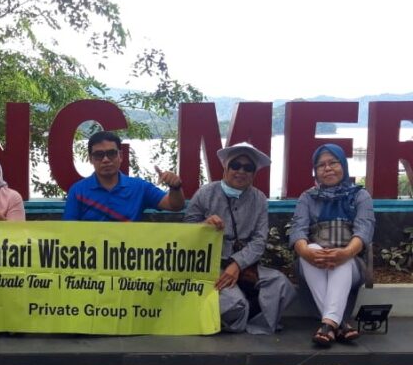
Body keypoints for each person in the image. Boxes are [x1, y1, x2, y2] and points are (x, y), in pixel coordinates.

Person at [184, 142, 295, 334]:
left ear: (253, 173)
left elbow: (259, 240)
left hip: (245, 265)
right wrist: (204, 226)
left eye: (248, 167)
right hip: (213, 265)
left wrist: (237, 264)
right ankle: (238, 312)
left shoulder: (259, 199)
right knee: (234, 305)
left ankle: (250, 319)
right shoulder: (205, 193)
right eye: (235, 165)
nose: (241, 171)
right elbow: (186, 231)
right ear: (226, 168)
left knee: (282, 285)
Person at [290, 143, 375, 347]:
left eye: (333, 163)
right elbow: (298, 230)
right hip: (314, 262)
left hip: (351, 262)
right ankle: (338, 324)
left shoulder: (360, 195)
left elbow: (364, 230)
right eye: (321, 165)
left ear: (343, 165)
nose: (327, 168)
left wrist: (345, 253)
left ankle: (328, 325)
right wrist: (305, 252)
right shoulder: (307, 197)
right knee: (312, 248)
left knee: (342, 261)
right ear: (315, 171)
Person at [62, 130, 184, 221]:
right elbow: (68, 231)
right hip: (91, 248)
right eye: (99, 155)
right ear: (90, 159)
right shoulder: (78, 191)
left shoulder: (139, 188)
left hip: (128, 248)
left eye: (111, 153)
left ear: (120, 156)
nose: (105, 160)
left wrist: (175, 187)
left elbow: (175, 205)